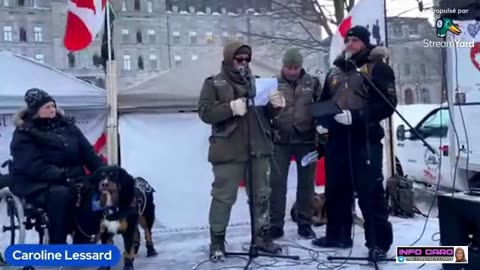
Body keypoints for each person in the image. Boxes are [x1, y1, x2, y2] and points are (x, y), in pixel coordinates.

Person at [311, 25, 396, 259]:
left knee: (370, 192)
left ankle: (378, 243)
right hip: (337, 140)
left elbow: (387, 105)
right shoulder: (335, 71)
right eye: (347, 40)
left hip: (364, 139)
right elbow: (323, 101)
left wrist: (357, 117)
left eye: (355, 41)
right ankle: (338, 235)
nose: (349, 44)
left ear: (365, 44)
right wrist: (321, 120)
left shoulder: (378, 69)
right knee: (337, 190)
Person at [198, 40, 286, 261]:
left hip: (258, 147)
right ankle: (217, 241)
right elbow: (205, 112)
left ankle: (261, 237)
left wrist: (275, 107)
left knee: (262, 196)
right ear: (230, 59)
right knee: (223, 197)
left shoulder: (257, 83)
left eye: (247, 59)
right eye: (240, 59)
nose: (244, 63)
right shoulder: (214, 83)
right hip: (229, 149)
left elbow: (265, 116)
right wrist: (230, 108)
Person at [9, 88, 106, 244]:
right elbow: (32, 165)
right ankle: (57, 243)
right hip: (40, 182)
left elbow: (88, 154)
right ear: (35, 111)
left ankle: (84, 238)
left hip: (74, 178)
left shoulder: (68, 127)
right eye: (47, 107)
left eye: (53, 105)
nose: (52, 109)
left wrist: (104, 172)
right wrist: (62, 176)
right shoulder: (24, 133)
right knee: (62, 194)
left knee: (94, 191)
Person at [269, 48, 322, 240]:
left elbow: (320, 107)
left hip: (306, 139)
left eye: (296, 67)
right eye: (289, 67)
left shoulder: (313, 83)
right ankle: (275, 224)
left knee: (306, 184)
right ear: (283, 66)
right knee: (277, 183)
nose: (292, 71)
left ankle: (305, 223)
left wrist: (321, 131)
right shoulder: (273, 84)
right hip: (280, 139)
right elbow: (264, 110)